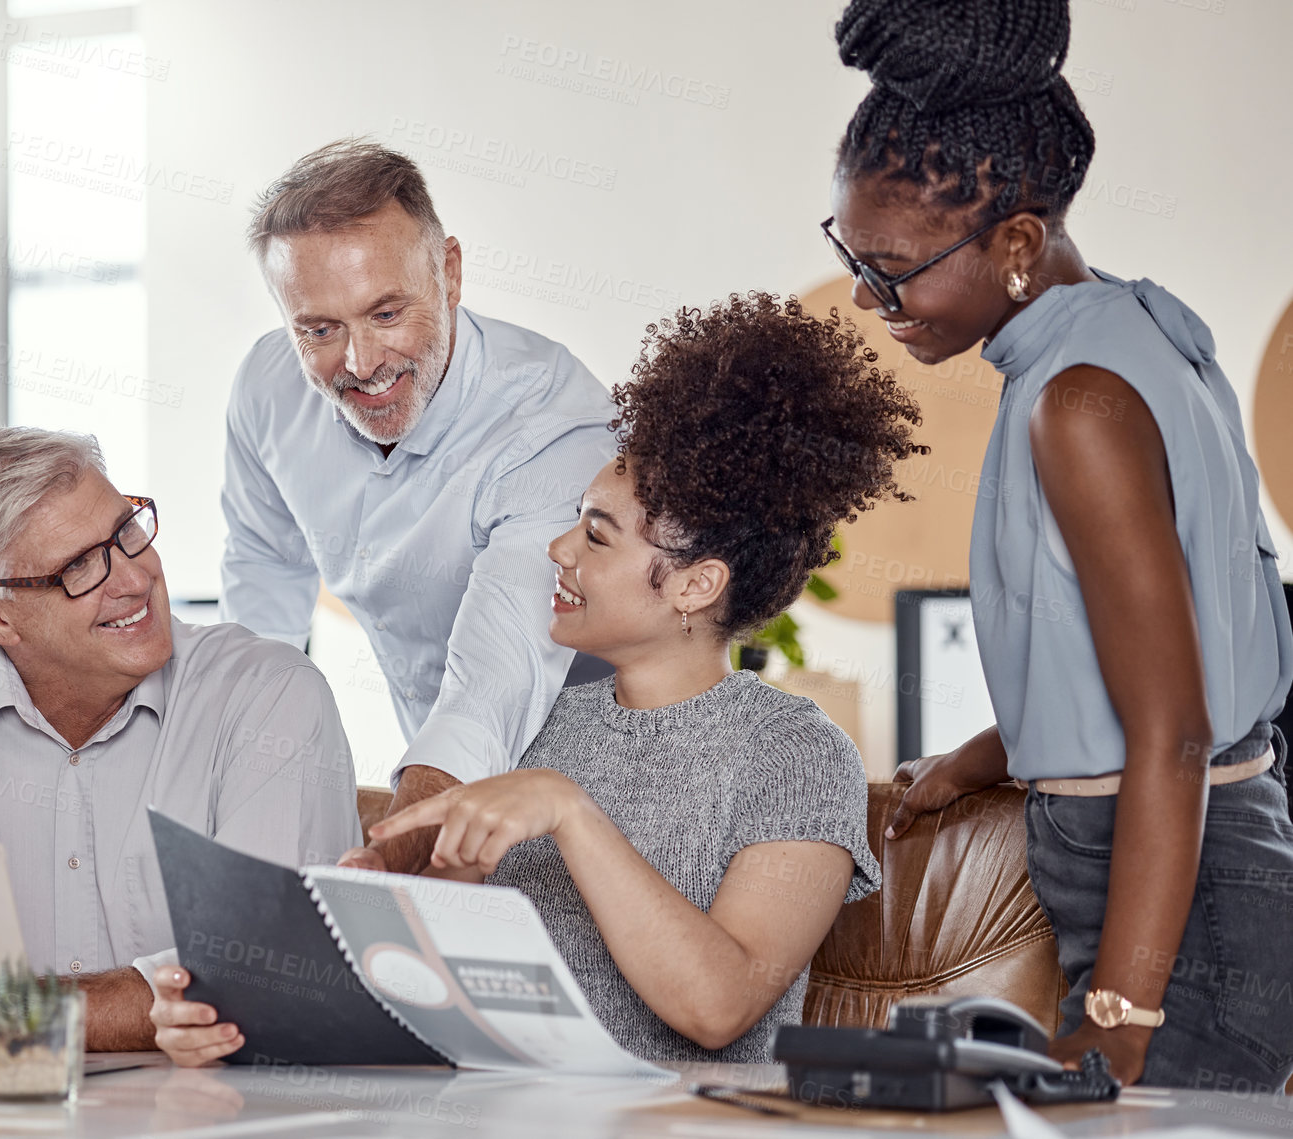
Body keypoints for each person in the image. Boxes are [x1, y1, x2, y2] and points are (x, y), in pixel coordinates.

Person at [151, 293, 922, 1064]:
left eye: (595, 532)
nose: (557, 549)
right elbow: (453, 1005)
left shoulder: (796, 753)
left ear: (694, 585)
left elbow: (717, 1005)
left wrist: (569, 812)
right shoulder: (540, 727)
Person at [824, 0, 1293, 1089]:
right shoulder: (1141, 331)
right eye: (850, 257)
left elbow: (1174, 729)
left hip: (1187, 894)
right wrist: (977, 761)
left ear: (1019, 244)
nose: (867, 295)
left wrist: (1121, 1012)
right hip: (1192, 857)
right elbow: (1149, 645)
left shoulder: (1075, 402)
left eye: (891, 268)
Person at [0, 428, 361, 1051]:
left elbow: (264, 973)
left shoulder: (269, 694)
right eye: (79, 567)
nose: (134, 580)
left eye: (128, 532)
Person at [220, 140, 617, 872]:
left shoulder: (551, 420)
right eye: (318, 329)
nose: (362, 363)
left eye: (387, 312)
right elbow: (263, 584)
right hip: (436, 786)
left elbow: (495, 676)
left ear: (450, 273)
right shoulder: (267, 388)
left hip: (598, 792)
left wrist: (378, 869)